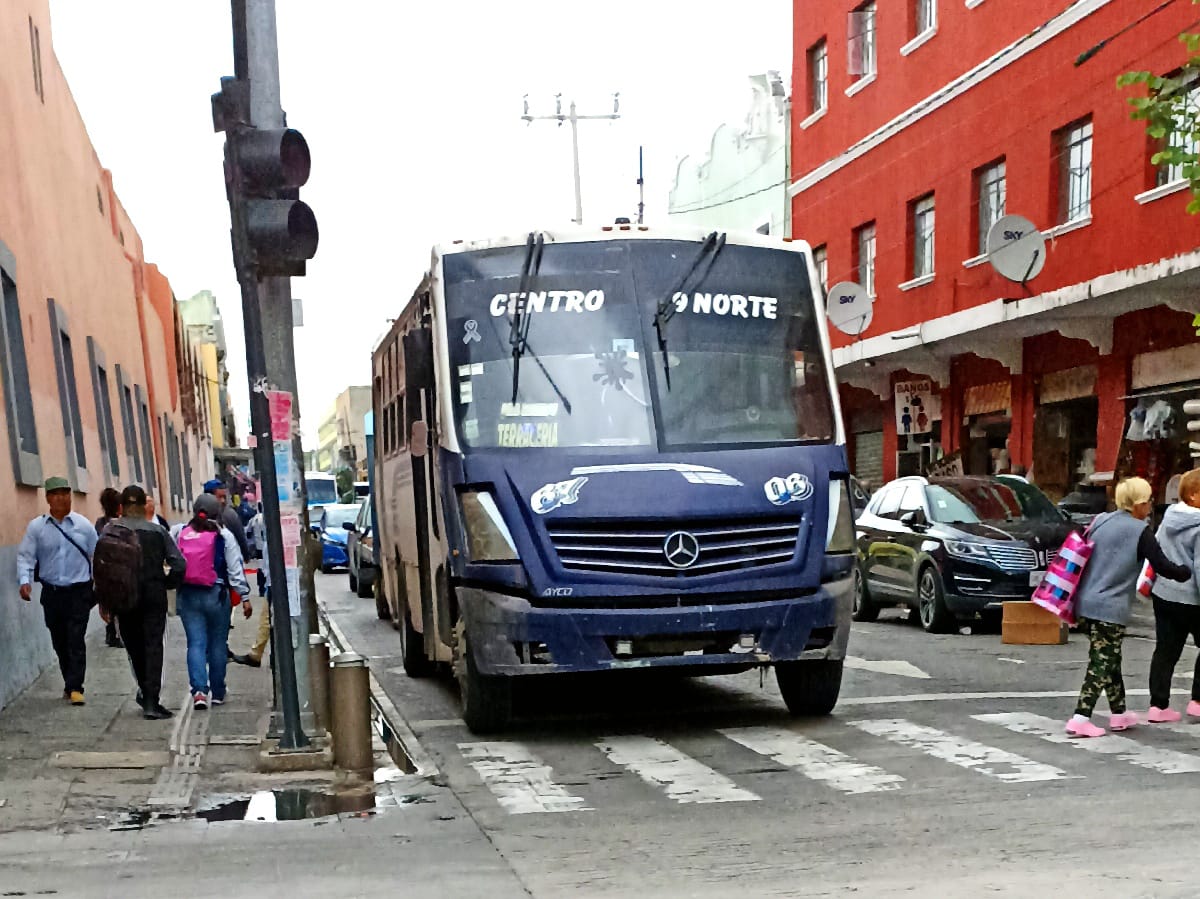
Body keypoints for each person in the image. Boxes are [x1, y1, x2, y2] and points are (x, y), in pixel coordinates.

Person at [1067, 477, 1190, 738]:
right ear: (1139, 504)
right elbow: (1161, 564)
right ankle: (1081, 716)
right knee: (1100, 663)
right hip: (1109, 608)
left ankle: (1119, 713)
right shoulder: (1139, 530)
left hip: (1084, 603)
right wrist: (1184, 573)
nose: (1150, 506)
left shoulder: (1101, 520)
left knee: (1110, 659)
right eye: (1148, 501)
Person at [16, 477, 98, 706]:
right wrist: (25, 581)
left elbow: (98, 555)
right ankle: (69, 681)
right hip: (52, 593)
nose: (62, 498)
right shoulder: (37, 527)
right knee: (59, 640)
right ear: (48, 498)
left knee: (75, 638)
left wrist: (99, 586)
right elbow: (25, 556)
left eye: (66, 493)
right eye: (57, 494)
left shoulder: (83, 526)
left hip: (79, 591)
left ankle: (76, 687)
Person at [172, 494, 250, 710]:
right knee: (217, 643)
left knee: (196, 643)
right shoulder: (224, 535)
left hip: (188, 595)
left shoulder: (180, 532)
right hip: (217, 595)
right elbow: (235, 569)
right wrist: (244, 596)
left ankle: (198, 691)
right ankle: (217, 691)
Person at [116, 485, 186, 720]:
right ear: (143, 507)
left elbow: (101, 567)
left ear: (122, 508)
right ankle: (151, 700)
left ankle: (145, 691)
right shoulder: (157, 532)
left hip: (124, 597)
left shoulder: (111, 531)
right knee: (154, 646)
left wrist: (106, 601)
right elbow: (179, 564)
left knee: (134, 646)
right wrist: (168, 583)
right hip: (153, 595)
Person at [1146, 469, 1200, 721]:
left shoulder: (1169, 517)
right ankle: (1198, 700)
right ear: (1194, 495)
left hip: (1164, 593)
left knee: (1165, 650)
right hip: (1192, 597)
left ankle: (1158, 705)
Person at [95, 487, 124, 649]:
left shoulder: (100, 523)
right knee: (120, 604)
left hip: (106, 569)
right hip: (120, 568)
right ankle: (117, 633)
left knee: (110, 603)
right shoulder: (121, 523)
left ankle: (112, 631)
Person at [204, 478, 250, 561]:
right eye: (219, 497)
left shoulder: (229, 514)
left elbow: (241, 537)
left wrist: (246, 556)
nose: (222, 501)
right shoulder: (201, 518)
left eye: (224, 497)